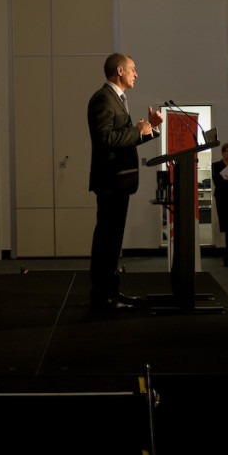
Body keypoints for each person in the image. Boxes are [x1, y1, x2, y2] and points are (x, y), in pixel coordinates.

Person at [87, 53, 162, 310]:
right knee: (107, 241)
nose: (136, 74)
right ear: (119, 70)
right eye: (133, 69)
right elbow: (105, 139)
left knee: (113, 241)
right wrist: (135, 131)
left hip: (119, 182)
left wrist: (149, 129)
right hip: (110, 182)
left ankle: (112, 292)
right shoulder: (103, 99)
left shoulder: (118, 99)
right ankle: (102, 295)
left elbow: (124, 140)